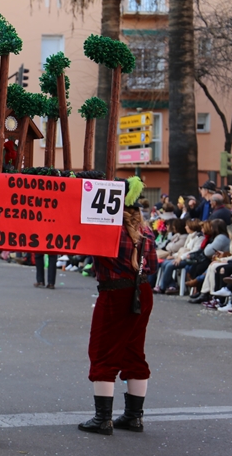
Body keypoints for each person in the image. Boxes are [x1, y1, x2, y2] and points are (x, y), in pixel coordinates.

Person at [78, 177, 157, 436]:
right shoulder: (147, 231)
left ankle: (103, 419)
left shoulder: (109, 230)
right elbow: (153, 267)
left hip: (116, 293)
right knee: (134, 351)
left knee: (103, 351)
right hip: (142, 291)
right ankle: (134, 417)